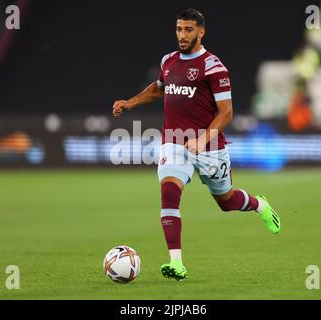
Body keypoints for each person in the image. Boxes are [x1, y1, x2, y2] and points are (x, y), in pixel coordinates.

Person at [112, 8, 281, 281]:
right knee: (168, 191)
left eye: (188, 30)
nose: (182, 35)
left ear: (201, 32)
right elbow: (158, 88)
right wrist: (129, 102)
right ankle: (176, 263)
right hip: (174, 142)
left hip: (211, 147)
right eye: (179, 29)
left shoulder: (214, 66)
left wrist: (203, 139)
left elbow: (226, 112)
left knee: (226, 201)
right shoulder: (169, 61)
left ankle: (258, 204)